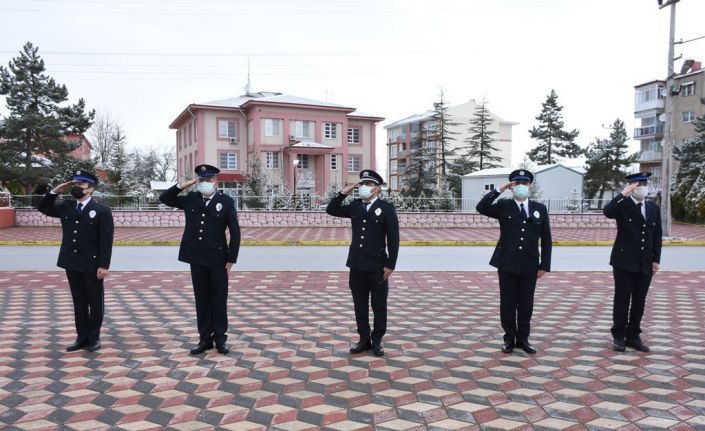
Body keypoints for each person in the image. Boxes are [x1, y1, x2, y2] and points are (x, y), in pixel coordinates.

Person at [160, 164, 241, 355]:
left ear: (216, 182)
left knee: (219, 300)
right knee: (202, 300)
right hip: (196, 258)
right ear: (197, 182)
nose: (205, 183)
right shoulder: (191, 199)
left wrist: (232, 258)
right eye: (202, 179)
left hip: (218, 260)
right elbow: (165, 198)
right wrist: (182, 185)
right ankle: (205, 339)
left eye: (208, 179)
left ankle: (220, 339)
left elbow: (235, 232)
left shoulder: (226, 201)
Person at [476, 169, 552, 354]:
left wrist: (544, 264)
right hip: (507, 263)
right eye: (517, 183)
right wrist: (499, 189)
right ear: (512, 186)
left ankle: (523, 339)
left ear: (530, 186)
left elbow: (546, 239)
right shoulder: (504, 205)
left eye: (525, 183)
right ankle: (509, 338)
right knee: (508, 304)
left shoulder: (539, 209)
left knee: (526, 304)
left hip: (530, 264)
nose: (521, 186)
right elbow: (481, 207)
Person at [38, 170, 114, 352]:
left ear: (91, 189)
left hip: (92, 264)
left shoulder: (101, 211)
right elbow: (43, 207)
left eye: (81, 184)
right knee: (79, 301)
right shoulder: (67, 206)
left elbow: (106, 241)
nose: (76, 188)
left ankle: (94, 338)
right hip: (71, 262)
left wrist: (104, 265)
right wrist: (56, 190)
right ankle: (81, 337)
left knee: (95, 302)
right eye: (75, 184)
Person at [326, 169, 399, 357]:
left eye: (369, 184)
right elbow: (331, 209)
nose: (364, 187)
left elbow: (393, 239)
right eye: (362, 184)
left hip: (377, 267)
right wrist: (343, 193)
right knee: (360, 306)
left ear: (377, 189)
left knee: (379, 305)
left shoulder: (386, 208)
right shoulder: (355, 206)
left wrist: (390, 264)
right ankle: (364, 339)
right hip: (357, 265)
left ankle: (377, 340)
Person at [604, 172, 662, 352]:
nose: (642, 187)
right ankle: (619, 335)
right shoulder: (623, 205)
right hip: (624, 261)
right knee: (622, 299)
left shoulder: (652, 208)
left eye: (644, 183)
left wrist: (656, 259)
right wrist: (624, 193)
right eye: (638, 184)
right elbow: (608, 212)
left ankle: (633, 335)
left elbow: (657, 235)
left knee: (639, 300)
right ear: (631, 186)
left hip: (645, 262)